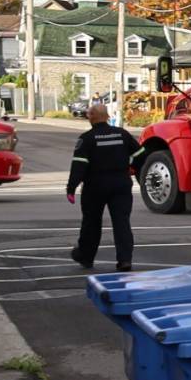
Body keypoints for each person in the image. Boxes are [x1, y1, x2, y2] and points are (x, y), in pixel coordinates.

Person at [68, 100, 138, 271]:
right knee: (122, 223)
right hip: (121, 184)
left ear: (91, 118)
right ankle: (125, 260)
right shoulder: (122, 134)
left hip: (95, 187)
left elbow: (79, 165)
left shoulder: (86, 139)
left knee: (91, 223)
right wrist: (132, 167)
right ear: (107, 117)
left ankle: (86, 257)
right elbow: (140, 153)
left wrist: (71, 188)